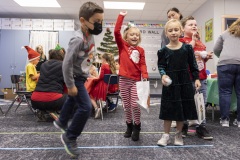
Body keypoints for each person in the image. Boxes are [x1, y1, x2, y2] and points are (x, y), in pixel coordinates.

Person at [53, 2, 104, 157]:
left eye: (101, 21)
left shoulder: (91, 37)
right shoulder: (77, 40)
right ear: (83, 21)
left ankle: (62, 121)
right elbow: (67, 63)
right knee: (86, 108)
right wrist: (70, 84)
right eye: (96, 21)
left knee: (73, 99)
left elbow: (86, 57)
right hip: (74, 78)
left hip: (81, 76)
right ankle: (69, 136)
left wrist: (90, 69)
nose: (99, 25)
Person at [157, 19, 201, 146]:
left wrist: (196, 78)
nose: (173, 32)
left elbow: (193, 65)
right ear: (166, 33)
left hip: (184, 82)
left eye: (176, 30)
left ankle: (178, 135)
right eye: (170, 30)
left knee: (181, 110)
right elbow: (161, 66)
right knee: (168, 109)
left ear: (181, 31)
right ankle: (165, 136)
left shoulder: (187, 48)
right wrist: (163, 75)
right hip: (170, 84)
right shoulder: (163, 51)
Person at [114, 11, 149, 141]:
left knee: (135, 105)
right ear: (126, 37)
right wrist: (121, 16)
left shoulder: (141, 50)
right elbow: (116, 32)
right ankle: (129, 126)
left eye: (137, 35)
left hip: (136, 81)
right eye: (132, 34)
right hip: (123, 80)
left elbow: (143, 64)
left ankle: (137, 126)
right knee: (126, 106)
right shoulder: (122, 46)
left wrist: (145, 75)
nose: (134, 36)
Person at [179, 16, 213, 140]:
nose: (194, 26)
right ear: (183, 29)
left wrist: (206, 57)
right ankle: (184, 125)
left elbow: (200, 60)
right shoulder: (182, 41)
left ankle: (201, 127)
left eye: (195, 24)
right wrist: (192, 41)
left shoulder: (200, 43)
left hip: (201, 77)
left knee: (201, 103)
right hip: (187, 78)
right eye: (190, 25)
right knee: (186, 102)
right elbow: (184, 54)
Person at [213, 18, 240, 128]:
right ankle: (239, 121)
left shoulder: (225, 33)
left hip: (225, 64)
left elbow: (216, 49)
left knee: (225, 92)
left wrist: (223, 57)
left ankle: (224, 120)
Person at [161, 7, 183, 128]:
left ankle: (182, 126)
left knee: (182, 100)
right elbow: (163, 52)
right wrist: (163, 72)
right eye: (168, 16)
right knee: (170, 100)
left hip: (183, 72)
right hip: (170, 69)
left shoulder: (186, 45)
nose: (171, 18)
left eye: (173, 15)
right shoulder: (165, 33)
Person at [31, 49, 66, 121]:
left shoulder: (43, 65)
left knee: (47, 99)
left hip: (35, 100)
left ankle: (43, 111)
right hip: (53, 100)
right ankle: (55, 112)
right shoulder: (63, 65)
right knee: (72, 96)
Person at [89, 53, 117, 118]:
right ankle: (104, 105)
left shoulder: (104, 65)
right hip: (110, 87)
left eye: (101, 59)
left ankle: (96, 108)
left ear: (104, 59)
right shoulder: (111, 66)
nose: (101, 60)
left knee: (90, 93)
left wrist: (94, 78)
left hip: (103, 86)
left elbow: (101, 77)